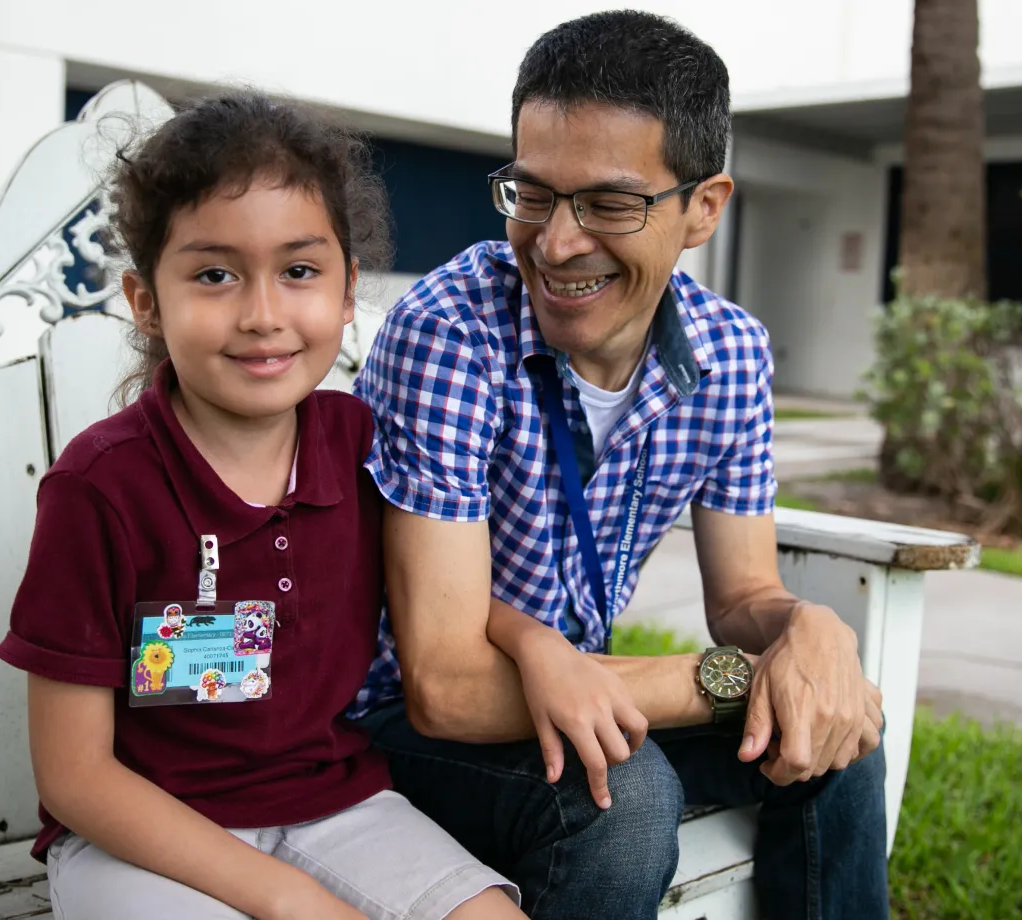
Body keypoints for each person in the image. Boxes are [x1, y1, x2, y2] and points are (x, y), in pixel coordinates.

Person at [350, 12, 888, 919]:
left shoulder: (730, 353)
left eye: (609, 204)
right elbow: (442, 687)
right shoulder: (452, 328)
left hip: (570, 691)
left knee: (837, 731)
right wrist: (744, 677)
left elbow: (743, 597)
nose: (557, 243)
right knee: (622, 797)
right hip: (389, 723)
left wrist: (811, 632)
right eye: (532, 193)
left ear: (703, 209)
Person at [0, 91, 521, 920]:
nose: (264, 314)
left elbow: (443, 591)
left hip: (338, 805)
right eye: (214, 275)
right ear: (145, 301)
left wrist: (541, 648)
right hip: (138, 834)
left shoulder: (363, 444)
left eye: (300, 271)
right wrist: (283, 899)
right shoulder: (101, 487)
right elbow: (76, 776)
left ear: (348, 291)